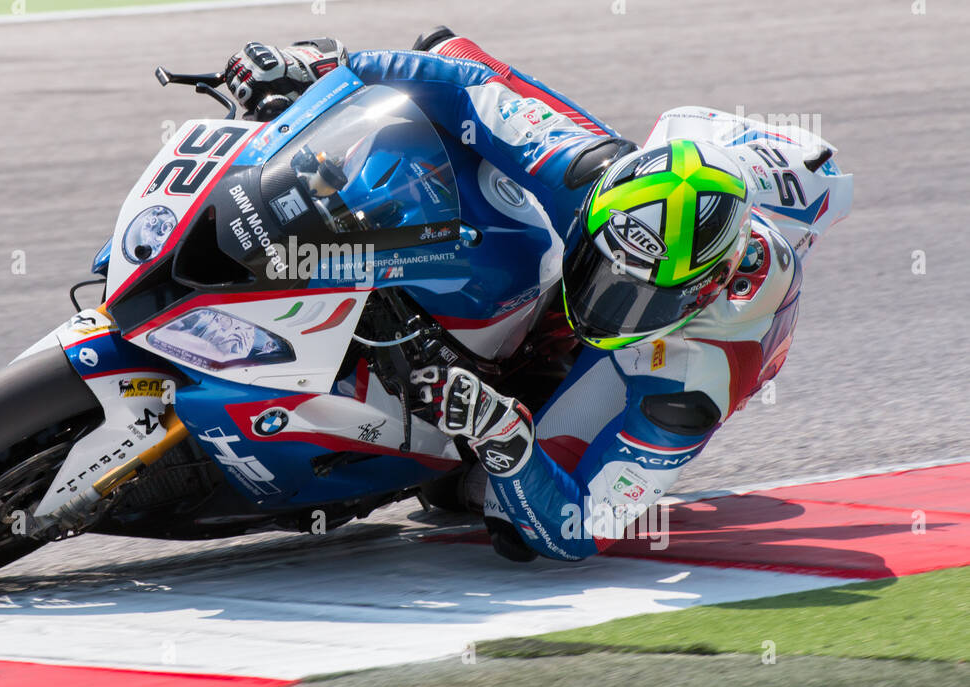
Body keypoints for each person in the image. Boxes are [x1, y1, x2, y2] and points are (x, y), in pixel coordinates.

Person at [223, 29, 853, 561]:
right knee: (446, 51)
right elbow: (459, 80)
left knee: (502, 515)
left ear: (700, 290)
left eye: (636, 295)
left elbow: (578, 531)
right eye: (603, 270)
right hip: (694, 169)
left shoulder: (696, 381)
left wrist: (508, 442)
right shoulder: (583, 172)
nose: (604, 298)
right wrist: (324, 72)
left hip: (665, 352)